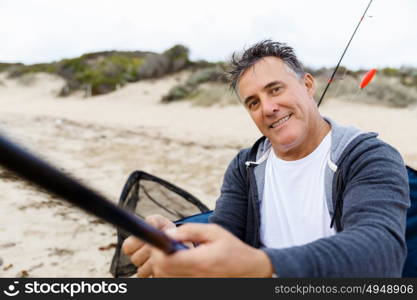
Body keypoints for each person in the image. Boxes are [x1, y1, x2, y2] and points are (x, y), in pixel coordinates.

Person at [122, 40, 410, 277]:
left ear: (308, 86)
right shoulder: (246, 165)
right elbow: (224, 234)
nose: (268, 108)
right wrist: (179, 241)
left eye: (275, 89)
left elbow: (381, 250)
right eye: (253, 102)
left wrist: (263, 265)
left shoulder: (368, 157)